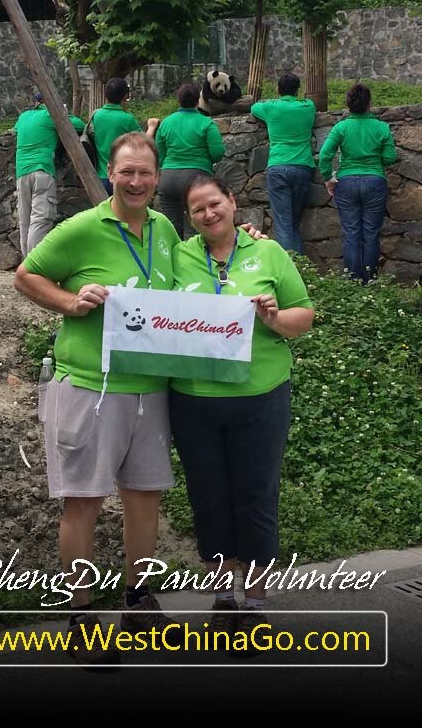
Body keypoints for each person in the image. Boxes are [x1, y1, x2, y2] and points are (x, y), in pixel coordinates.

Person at [14, 131, 180, 664]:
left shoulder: (166, 229)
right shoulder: (82, 227)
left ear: (157, 177)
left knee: (145, 498)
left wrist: (244, 235)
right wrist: (71, 301)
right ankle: (82, 617)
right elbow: (26, 275)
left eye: (145, 173)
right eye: (126, 171)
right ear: (111, 172)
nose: (136, 181)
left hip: (149, 387)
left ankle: (138, 602)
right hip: (89, 386)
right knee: (83, 501)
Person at [168, 173, 314, 653]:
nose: (208, 214)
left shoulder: (268, 253)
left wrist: (273, 317)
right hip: (194, 399)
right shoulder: (177, 256)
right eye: (197, 210)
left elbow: (304, 318)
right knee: (208, 497)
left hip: (261, 396)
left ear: (233, 202)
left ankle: (253, 602)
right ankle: (222, 601)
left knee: (255, 496)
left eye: (215, 204)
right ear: (188, 219)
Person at [319, 82, 397, 283]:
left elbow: (325, 156)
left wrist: (329, 178)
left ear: (348, 104)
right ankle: (370, 279)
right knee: (370, 234)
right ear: (369, 103)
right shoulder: (381, 127)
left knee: (351, 233)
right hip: (375, 181)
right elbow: (390, 157)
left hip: (346, 183)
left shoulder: (341, 127)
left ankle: (353, 281)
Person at [251, 72, 316, 254]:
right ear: (298, 90)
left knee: (283, 223)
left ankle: (291, 269)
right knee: (294, 223)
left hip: (278, 167)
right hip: (303, 167)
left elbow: (254, 107)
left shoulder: (271, 107)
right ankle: (302, 270)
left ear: (278, 90)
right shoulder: (308, 106)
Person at [15, 94, 85, 257]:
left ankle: (26, 262)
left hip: (21, 173)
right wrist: (64, 112)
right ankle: (34, 264)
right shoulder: (51, 115)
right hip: (42, 171)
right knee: (40, 220)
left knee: (24, 221)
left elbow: (17, 130)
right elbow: (79, 125)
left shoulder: (24, 116)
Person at [155, 82, 226, 238]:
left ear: (178, 100)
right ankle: (195, 259)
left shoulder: (166, 123)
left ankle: (172, 260)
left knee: (171, 231)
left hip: (167, 179)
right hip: (196, 179)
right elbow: (217, 153)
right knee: (196, 230)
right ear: (198, 100)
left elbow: (158, 155)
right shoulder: (206, 123)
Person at [91, 77, 159, 196]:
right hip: (121, 177)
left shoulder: (96, 115)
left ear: (106, 95)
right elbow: (144, 143)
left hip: (100, 177)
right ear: (125, 96)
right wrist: (152, 127)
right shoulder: (127, 119)